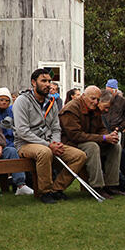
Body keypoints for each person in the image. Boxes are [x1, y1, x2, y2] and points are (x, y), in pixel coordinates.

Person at [13, 68, 87, 204]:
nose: (48, 84)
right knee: (44, 152)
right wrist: (49, 145)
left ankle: (56, 189)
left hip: (49, 144)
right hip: (25, 144)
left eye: (49, 81)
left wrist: (56, 143)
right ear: (33, 83)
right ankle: (45, 192)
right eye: (44, 81)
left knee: (79, 156)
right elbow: (22, 131)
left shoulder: (51, 102)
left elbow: (56, 128)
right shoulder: (22, 101)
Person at [59, 87, 123, 199]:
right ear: (83, 96)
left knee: (115, 146)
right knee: (92, 146)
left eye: (97, 99)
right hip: (70, 144)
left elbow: (101, 128)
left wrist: (109, 136)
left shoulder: (94, 108)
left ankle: (112, 185)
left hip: (87, 140)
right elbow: (75, 135)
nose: (95, 102)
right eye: (92, 98)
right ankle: (97, 187)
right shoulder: (71, 109)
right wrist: (103, 138)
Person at [102, 78, 125, 145]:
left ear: (115, 91)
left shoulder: (123, 101)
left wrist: (120, 127)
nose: (108, 93)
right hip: (103, 130)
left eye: (109, 91)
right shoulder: (102, 98)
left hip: (116, 131)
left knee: (116, 150)